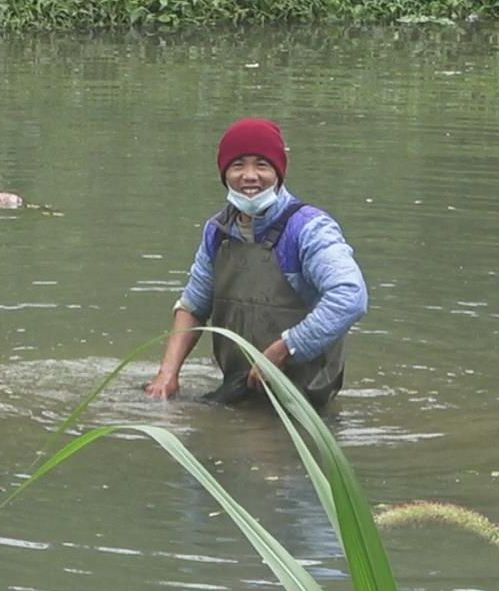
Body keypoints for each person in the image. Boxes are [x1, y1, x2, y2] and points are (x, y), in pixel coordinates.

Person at [144, 118, 368, 410]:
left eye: (262, 165)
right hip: (240, 389)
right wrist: (167, 375)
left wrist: (282, 350)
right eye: (238, 165)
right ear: (224, 174)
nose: (249, 176)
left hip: (301, 400)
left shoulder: (308, 229)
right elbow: (193, 307)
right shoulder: (218, 231)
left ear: (279, 172)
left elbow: (350, 296)